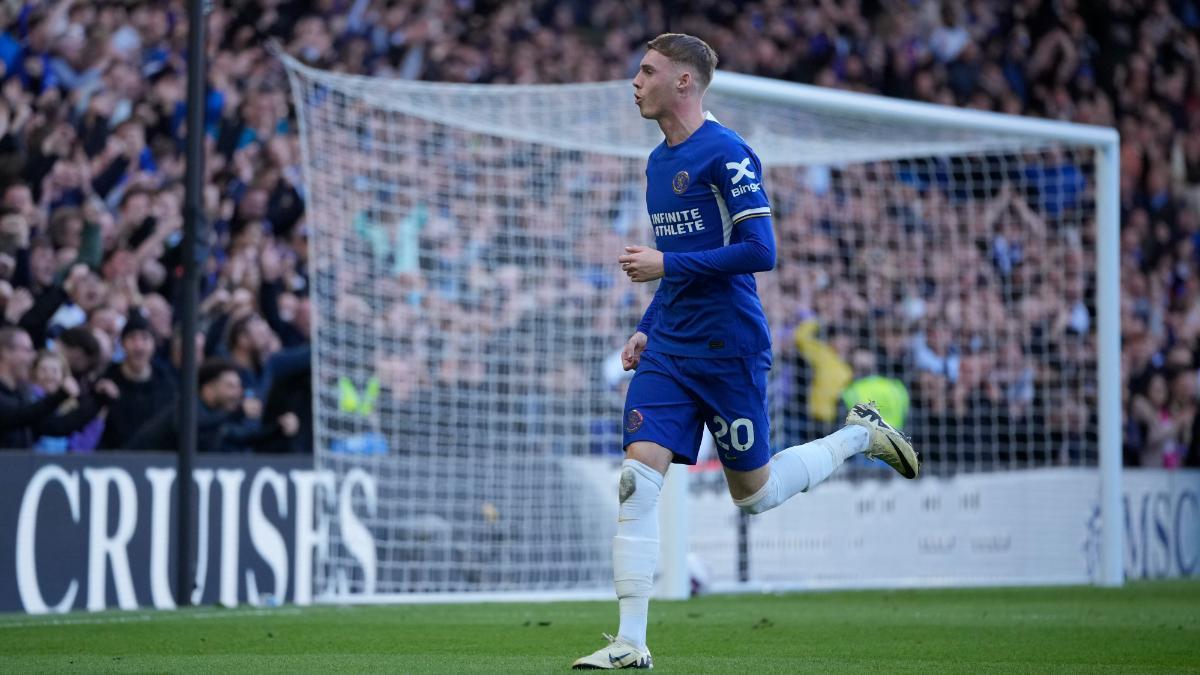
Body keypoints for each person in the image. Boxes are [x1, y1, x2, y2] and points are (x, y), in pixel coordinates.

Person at [572, 34, 919, 670]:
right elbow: (675, 266)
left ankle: (856, 438)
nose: (634, 81)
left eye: (647, 71)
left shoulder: (728, 154)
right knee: (635, 477)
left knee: (753, 496)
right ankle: (630, 643)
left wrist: (664, 263)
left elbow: (762, 251)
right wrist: (649, 321)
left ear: (684, 82)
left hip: (729, 347)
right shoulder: (656, 163)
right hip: (671, 347)